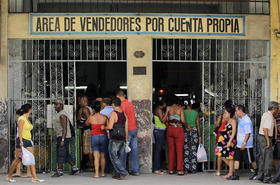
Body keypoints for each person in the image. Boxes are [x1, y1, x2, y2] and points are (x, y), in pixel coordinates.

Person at [8, 104, 44, 183]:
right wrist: (21, 141)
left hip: (28, 140)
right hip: (22, 140)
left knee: (31, 158)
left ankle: (34, 177)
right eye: (31, 108)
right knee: (17, 159)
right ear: (29, 109)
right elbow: (19, 131)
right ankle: (9, 176)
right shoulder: (21, 118)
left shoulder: (27, 118)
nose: (32, 110)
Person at [162, 95, 190, 175]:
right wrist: (187, 126)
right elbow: (183, 120)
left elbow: (163, 120)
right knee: (179, 150)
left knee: (171, 150)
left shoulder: (168, 108)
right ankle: (180, 170)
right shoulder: (180, 109)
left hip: (170, 130)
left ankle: (171, 169)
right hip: (178, 130)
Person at [52, 99, 79, 177]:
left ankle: (59, 171)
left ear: (60, 105)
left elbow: (65, 128)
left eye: (56, 105)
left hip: (63, 137)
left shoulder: (62, 115)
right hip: (62, 136)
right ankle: (74, 168)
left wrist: (63, 139)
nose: (55, 106)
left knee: (60, 153)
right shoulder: (60, 114)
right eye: (54, 105)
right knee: (65, 153)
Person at [231, 105, 258, 180]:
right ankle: (235, 175)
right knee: (236, 158)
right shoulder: (241, 119)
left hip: (246, 145)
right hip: (239, 145)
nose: (235, 112)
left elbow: (248, 133)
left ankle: (257, 173)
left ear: (240, 111)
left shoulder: (246, 120)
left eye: (236, 111)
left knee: (251, 160)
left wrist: (244, 143)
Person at [116, 91, 140, 176]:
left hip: (128, 129)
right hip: (134, 129)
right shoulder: (130, 103)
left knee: (123, 151)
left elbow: (123, 118)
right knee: (134, 150)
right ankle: (136, 170)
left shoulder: (122, 105)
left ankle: (122, 171)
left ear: (118, 97)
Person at [106, 98, 129, 180]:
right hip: (122, 137)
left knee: (113, 156)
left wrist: (104, 127)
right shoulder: (124, 114)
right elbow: (126, 126)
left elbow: (110, 127)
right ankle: (117, 174)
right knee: (120, 157)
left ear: (113, 105)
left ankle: (123, 171)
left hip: (115, 138)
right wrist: (126, 137)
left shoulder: (113, 114)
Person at [256, 101, 279, 183]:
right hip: (265, 137)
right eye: (277, 108)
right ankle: (267, 178)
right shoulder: (269, 116)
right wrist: (268, 141)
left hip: (261, 137)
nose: (278, 110)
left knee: (262, 158)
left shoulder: (266, 114)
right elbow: (265, 129)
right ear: (273, 108)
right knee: (268, 159)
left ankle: (261, 175)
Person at [85, 101, 108, 178]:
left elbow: (86, 123)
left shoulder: (91, 117)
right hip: (103, 136)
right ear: (101, 108)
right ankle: (103, 173)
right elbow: (108, 127)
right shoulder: (105, 117)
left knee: (96, 156)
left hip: (94, 137)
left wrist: (91, 114)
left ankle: (96, 174)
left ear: (93, 109)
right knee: (102, 156)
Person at [215, 105, 237, 180]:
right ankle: (231, 172)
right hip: (225, 142)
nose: (224, 114)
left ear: (230, 113)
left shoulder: (233, 121)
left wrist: (230, 141)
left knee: (229, 157)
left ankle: (231, 172)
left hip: (229, 142)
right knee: (225, 156)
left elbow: (233, 132)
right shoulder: (227, 121)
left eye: (226, 113)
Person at [12, 108, 32, 178]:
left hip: (21, 140)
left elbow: (19, 132)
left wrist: (20, 141)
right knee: (22, 156)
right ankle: (20, 172)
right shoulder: (26, 119)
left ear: (18, 115)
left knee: (19, 157)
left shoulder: (21, 119)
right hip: (27, 139)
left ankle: (26, 172)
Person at [183, 103, 201, 174]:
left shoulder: (183, 112)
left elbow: (183, 121)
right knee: (193, 150)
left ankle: (186, 169)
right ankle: (193, 169)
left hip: (186, 131)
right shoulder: (196, 113)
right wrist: (199, 136)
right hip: (194, 131)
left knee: (186, 149)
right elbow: (198, 125)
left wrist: (187, 126)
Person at [77, 96, 93, 171]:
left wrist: (81, 126)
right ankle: (90, 164)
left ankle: (91, 165)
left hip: (87, 131)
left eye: (80, 101)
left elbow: (89, 121)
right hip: (87, 130)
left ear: (84, 102)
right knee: (87, 148)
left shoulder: (85, 109)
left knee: (88, 149)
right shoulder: (88, 108)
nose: (79, 103)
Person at [100, 97, 114, 173]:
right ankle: (114, 168)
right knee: (113, 152)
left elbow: (101, 123)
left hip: (105, 134)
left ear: (104, 104)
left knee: (105, 152)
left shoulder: (102, 112)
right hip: (114, 134)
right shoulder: (114, 110)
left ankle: (107, 169)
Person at [153, 100, 167, 174]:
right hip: (159, 131)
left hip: (159, 130)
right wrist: (167, 113)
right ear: (164, 104)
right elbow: (162, 120)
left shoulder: (157, 109)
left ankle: (159, 167)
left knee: (160, 150)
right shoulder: (159, 110)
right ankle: (156, 168)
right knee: (158, 150)